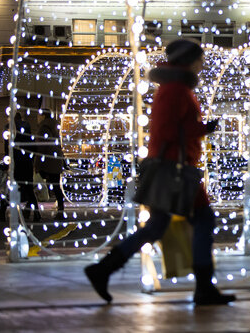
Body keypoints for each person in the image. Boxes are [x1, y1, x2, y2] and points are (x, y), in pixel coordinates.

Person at [84, 39, 235, 306]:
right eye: (199, 59)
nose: (202, 64)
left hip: (169, 165)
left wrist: (201, 129)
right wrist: (198, 130)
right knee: (203, 221)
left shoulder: (174, 87)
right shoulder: (177, 89)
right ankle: (204, 287)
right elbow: (169, 130)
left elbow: (176, 127)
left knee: (156, 226)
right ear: (188, 61)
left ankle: (103, 269)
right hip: (174, 168)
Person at [35, 110, 66, 220]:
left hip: (47, 160)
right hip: (56, 159)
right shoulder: (55, 127)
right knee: (56, 186)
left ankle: (33, 212)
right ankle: (61, 209)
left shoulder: (44, 128)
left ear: (43, 116)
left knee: (33, 186)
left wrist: (37, 164)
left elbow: (41, 147)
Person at [13, 113, 41, 222]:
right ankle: (35, 213)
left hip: (18, 165)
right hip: (27, 166)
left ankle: (15, 214)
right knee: (29, 191)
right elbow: (35, 150)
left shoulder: (15, 136)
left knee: (13, 190)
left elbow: (11, 151)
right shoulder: (29, 137)